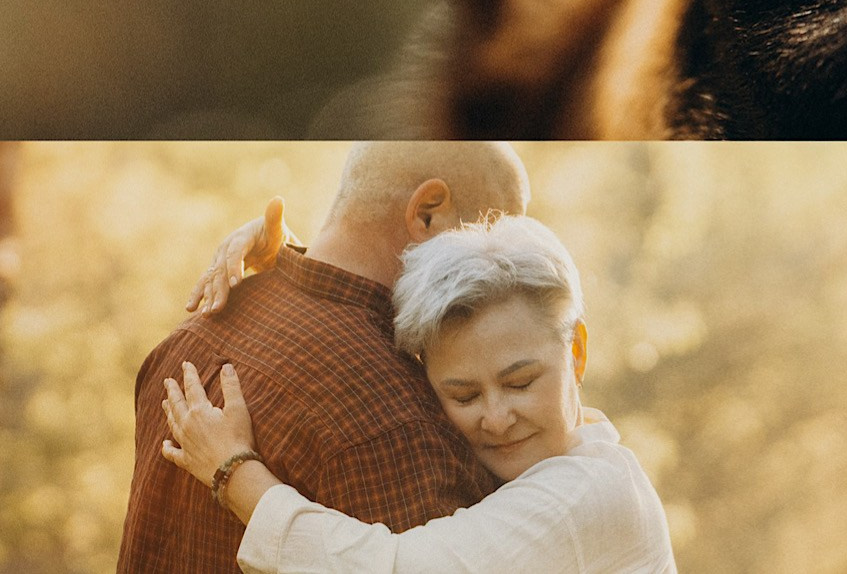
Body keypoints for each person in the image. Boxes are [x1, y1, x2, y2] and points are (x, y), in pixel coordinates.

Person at [163, 214, 677, 573]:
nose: (496, 419)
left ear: (578, 352)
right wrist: (298, 266)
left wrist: (234, 471)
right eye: (463, 396)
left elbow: (396, 568)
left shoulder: (591, 496)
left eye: (520, 383)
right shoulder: (556, 463)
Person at [116, 142, 530, 573]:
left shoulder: (187, 337)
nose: (492, 282)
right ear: (427, 213)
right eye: (485, 243)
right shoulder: (396, 422)